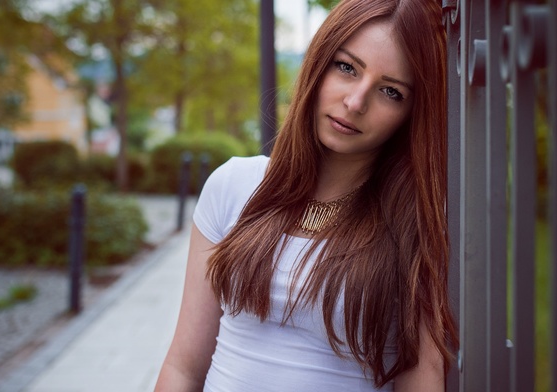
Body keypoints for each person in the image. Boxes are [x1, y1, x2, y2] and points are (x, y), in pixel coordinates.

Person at [154, 0, 457, 390]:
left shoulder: (415, 218)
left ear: (412, 112)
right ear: (319, 62)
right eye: (347, 68)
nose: (355, 102)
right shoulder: (233, 185)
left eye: (391, 92)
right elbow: (183, 367)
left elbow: (423, 376)